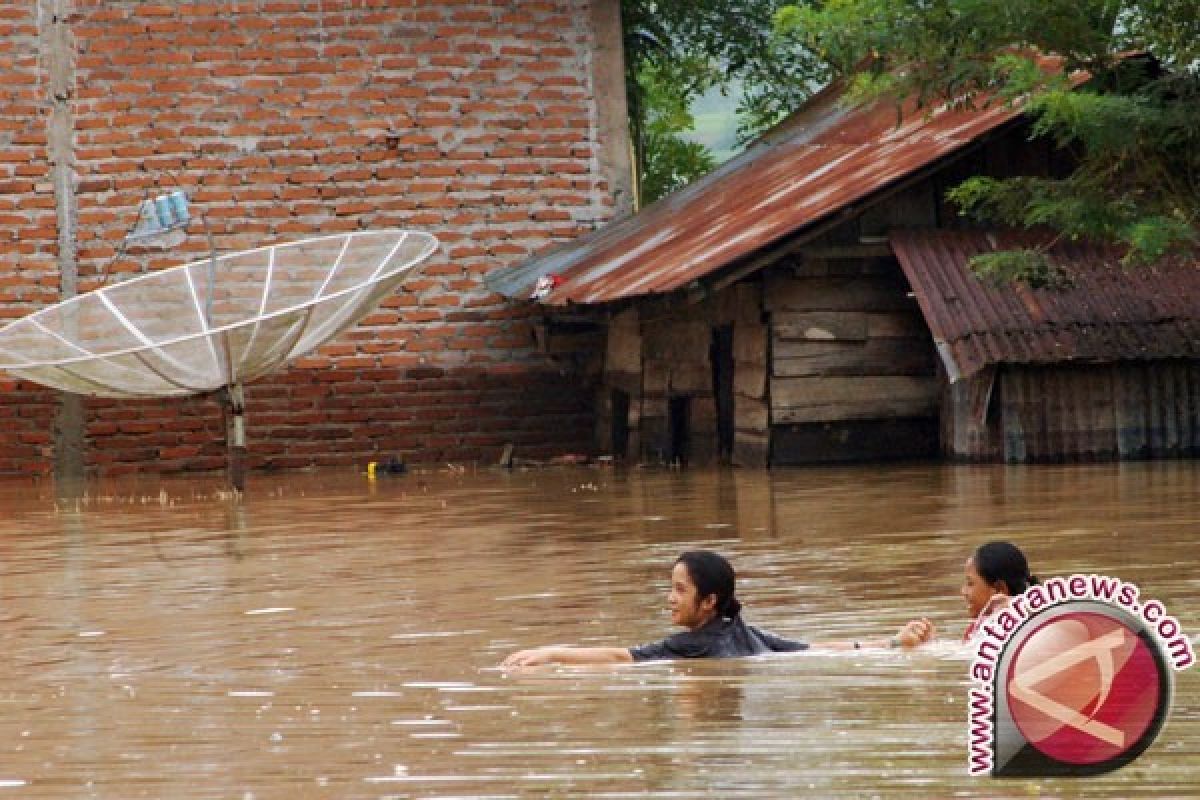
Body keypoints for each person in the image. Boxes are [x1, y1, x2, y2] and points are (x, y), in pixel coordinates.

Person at [502, 550, 935, 667]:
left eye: (679, 590)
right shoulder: (745, 632)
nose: (670, 598)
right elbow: (816, 649)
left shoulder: (694, 646)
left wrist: (552, 652)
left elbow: (622, 657)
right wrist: (891, 642)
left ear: (708, 602)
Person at [961, 540, 1037, 641]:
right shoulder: (977, 630)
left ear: (999, 589)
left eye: (970, 583)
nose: (963, 591)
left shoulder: (1028, 629)